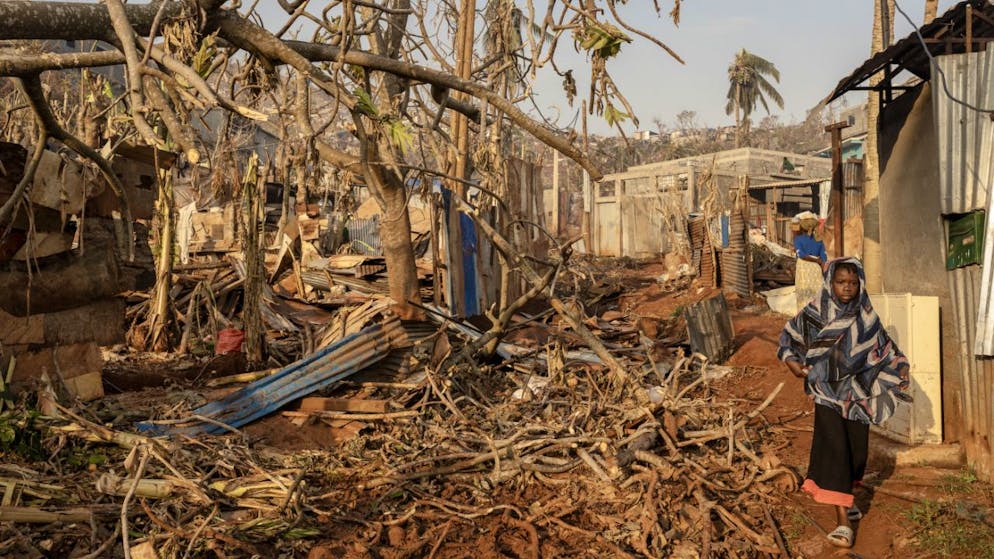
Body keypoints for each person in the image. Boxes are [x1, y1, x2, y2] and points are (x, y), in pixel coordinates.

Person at [778, 257, 911, 548]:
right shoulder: (816, 312)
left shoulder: (867, 317)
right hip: (826, 392)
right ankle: (843, 522)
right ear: (830, 283)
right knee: (836, 451)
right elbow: (789, 338)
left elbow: (886, 350)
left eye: (853, 282)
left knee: (856, 453)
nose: (847, 287)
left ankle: (847, 496)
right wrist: (792, 362)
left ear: (860, 283)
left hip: (857, 397)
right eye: (841, 282)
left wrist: (899, 368)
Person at [792, 211, 827, 312]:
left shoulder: (798, 240)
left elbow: (801, 255)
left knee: (803, 294)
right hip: (816, 270)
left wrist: (814, 260)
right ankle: (817, 314)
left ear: (802, 227)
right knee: (816, 293)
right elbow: (823, 258)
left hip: (803, 269)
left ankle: (804, 315)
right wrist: (822, 268)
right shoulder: (819, 240)